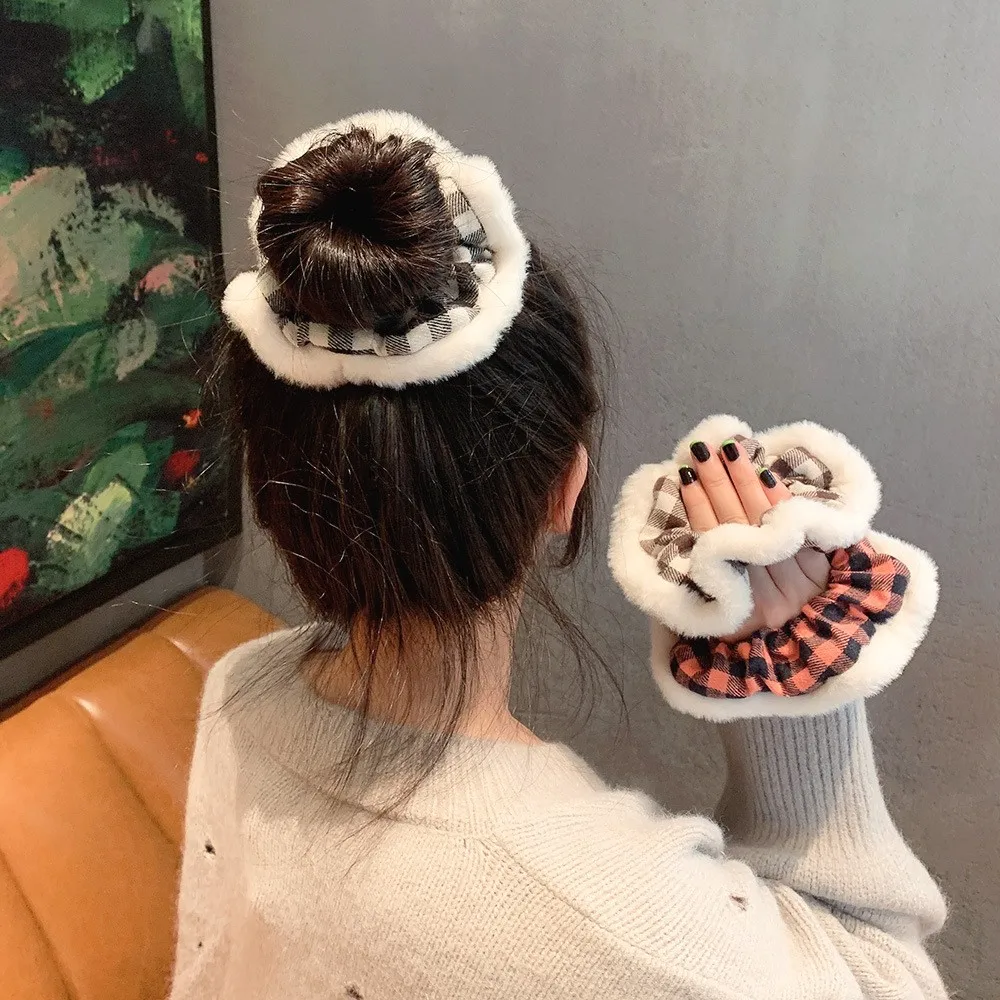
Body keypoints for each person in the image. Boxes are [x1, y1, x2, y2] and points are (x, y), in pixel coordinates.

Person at [169, 111, 947, 999]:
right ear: (563, 490)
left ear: (273, 486)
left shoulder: (239, 693)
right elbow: (887, 979)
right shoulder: (629, 924)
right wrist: (793, 683)